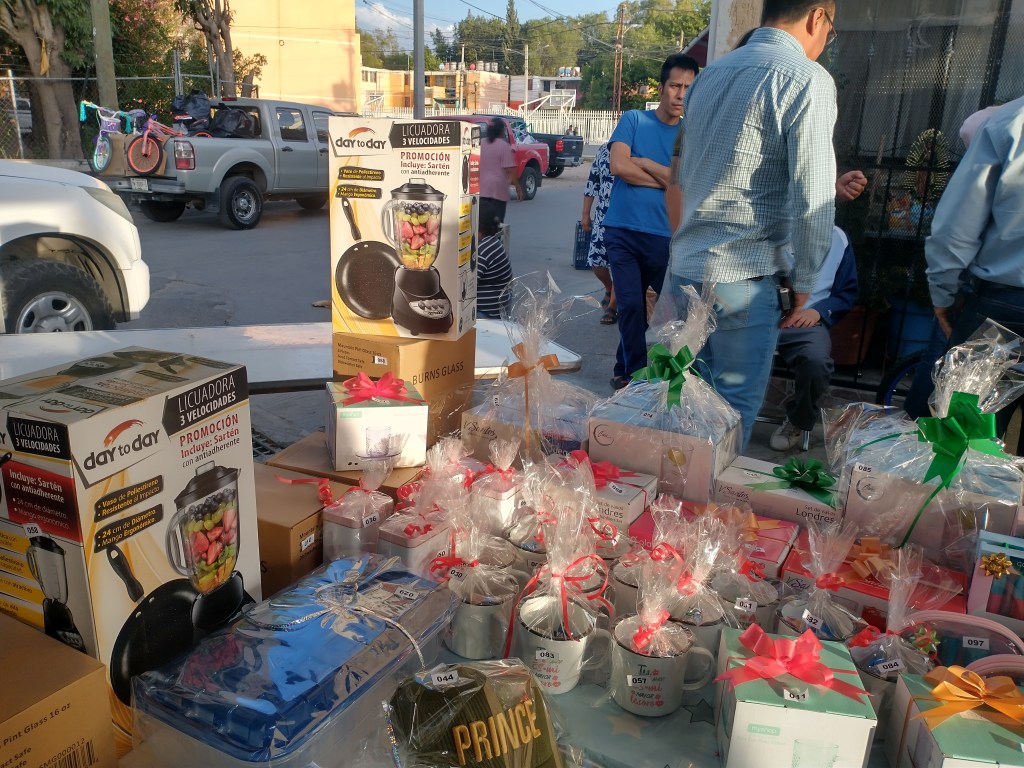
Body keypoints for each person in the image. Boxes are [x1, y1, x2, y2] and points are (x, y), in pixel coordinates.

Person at [666, 0, 839, 452]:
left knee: (687, 402)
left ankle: (675, 493)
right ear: (817, 17)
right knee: (731, 410)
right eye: (831, 30)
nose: (826, 41)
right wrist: (805, 281)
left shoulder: (708, 78)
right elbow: (815, 198)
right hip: (743, 274)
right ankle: (704, 498)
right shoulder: (806, 78)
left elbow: (684, 177)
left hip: (687, 268)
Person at [923, 94, 1024, 454]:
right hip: (1006, 304)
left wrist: (944, 297)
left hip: (1005, 308)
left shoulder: (1009, 122)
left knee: (959, 447)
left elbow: (955, 229)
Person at [605, 53, 700, 390]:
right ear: (660, 88)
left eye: (688, 88)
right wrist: (668, 179)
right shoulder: (634, 120)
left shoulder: (691, 133)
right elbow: (619, 166)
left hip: (666, 235)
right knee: (630, 304)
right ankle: (633, 377)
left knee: (669, 312)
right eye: (675, 86)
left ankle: (628, 366)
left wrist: (644, 163)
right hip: (623, 229)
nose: (680, 94)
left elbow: (688, 184)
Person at [770, 227, 859, 450]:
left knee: (816, 361)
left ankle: (797, 421)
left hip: (804, 321)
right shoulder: (769, 221)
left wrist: (819, 311)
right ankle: (725, 416)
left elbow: (846, 292)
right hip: (759, 314)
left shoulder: (838, 237)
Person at [581, 143, 617, 324]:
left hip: (627, 217)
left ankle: (613, 306)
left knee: (620, 264)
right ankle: (609, 288)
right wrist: (585, 214)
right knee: (596, 262)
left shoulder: (637, 149)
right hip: (602, 216)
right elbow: (592, 182)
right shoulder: (603, 150)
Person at [479, 118, 522, 227]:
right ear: (501, 130)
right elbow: (510, 169)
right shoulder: (504, 146)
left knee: (483, 222)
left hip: (482, 190)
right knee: (497, 223)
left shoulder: (481, 144)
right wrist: (518, 188)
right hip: (498, 191)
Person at [475, 212, 513, 319]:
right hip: (499, 307)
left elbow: (466, 286)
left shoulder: (481, 251)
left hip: (487, 313)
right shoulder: (492, 241)